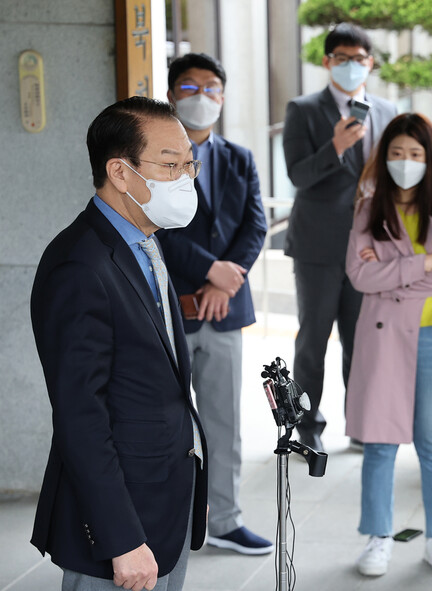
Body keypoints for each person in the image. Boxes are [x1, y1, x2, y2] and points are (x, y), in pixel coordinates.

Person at [30, 97, 208, 591]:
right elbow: (79, 416)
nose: (185, 178)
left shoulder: (144, 242)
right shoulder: (79, 265)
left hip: (166, 499)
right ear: (121, 172)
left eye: (188, 164)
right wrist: (121, 539)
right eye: (170, 165)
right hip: (121, 527)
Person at [344, 113, 432, 577]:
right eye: (396, 153)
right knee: (381, 442)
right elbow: (358, 274)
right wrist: (419, 264)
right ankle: (378, 538)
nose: (405, 162)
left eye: (415, 154)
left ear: (430, 158)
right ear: (383, 156)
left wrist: (392, 277)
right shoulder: (369, 206)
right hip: (385, 339)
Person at [157, 52, 271, 555]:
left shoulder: (240, 157)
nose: (201, 97)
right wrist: (210, 270)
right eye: (189, 87)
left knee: (224, 422)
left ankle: (224, 519)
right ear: (170, 95)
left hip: (224, 311)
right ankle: (165, 521)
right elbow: (155, 224)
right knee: (162, 420)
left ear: (222, 98)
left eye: (211, 88)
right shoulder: (152, 157)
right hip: (169, 307)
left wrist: (225, 283)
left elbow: (256, 225)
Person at [283, 23, 397, 452]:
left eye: (361, 58)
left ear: (371, 63)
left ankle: (362, 424)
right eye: (343, 58)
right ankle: (306, 427)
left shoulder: (385, 111)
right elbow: (298, 175)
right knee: (312, 341)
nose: (353, 66)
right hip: (317, 248)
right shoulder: (303, 109)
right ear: (328, 61)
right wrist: (333, 148)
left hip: (369, 250)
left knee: (362, 341)